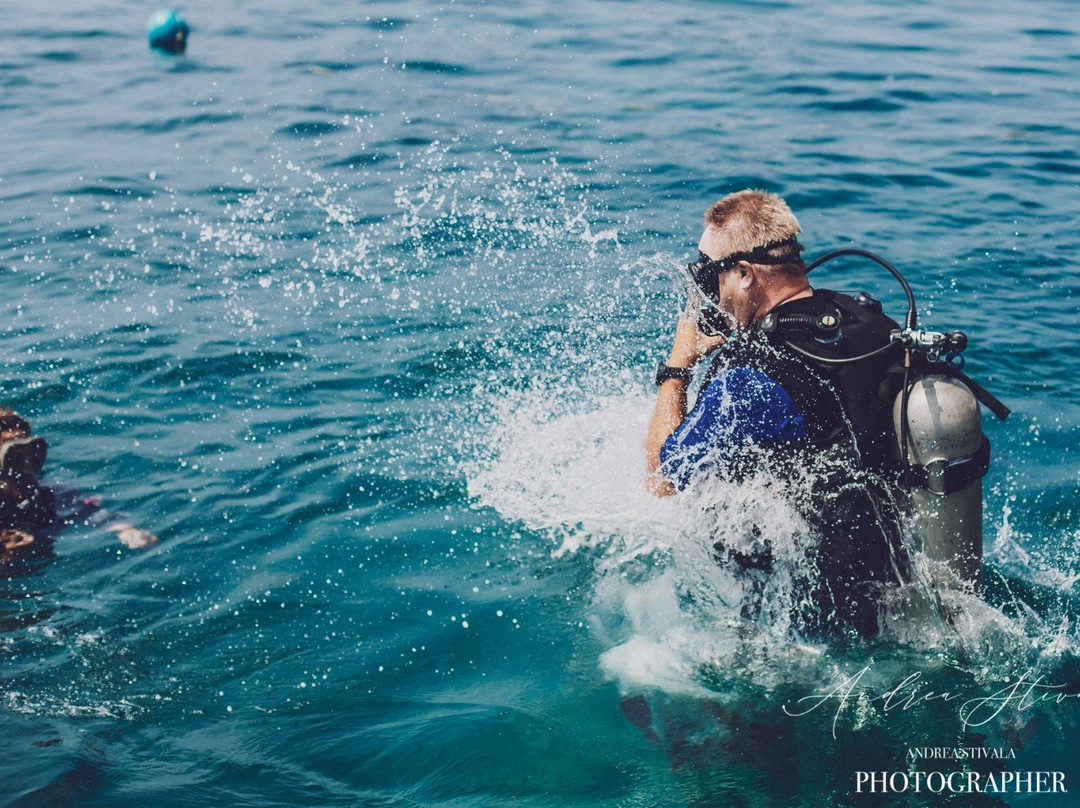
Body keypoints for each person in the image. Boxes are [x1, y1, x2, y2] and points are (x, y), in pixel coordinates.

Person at [645, 190, 909, 638]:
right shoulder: (860, 322)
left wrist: (677, 368)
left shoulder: (752, 376)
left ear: (745, 274)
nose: (711, 296)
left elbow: (661, 481)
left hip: (819, 617)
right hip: (894, 568)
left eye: (712, 278)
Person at [0, 407, 157, 563]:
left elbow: (91, 512)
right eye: (13, 454)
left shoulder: (50, 493)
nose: (24, 463)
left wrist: (127, 530)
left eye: (29, 451)